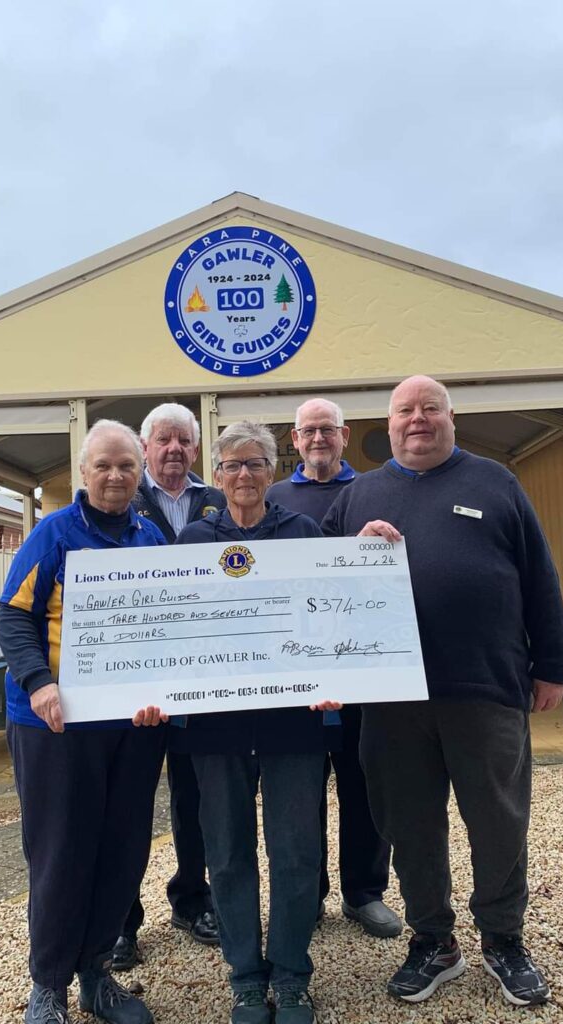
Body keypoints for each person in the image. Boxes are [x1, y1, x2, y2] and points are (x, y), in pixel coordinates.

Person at [322, 376, 563, 1008]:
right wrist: (353, 555)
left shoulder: (496, 483)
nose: (418, 420)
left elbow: (539, 574)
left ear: (450, 417)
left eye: (430, 409)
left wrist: (552, 662)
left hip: (485, 686)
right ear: (389, 424)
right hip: (393, 698)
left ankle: (503, 940)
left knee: (498, 820)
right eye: (405, 411)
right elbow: (316, 585)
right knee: (410, 824)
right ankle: (433, 940)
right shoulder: (360, 496)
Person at [0, 419, 168, 1024]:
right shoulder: (52, 535)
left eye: (127, 465)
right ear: (84, 473)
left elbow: (166, 632)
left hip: (132, 727)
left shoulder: (151, 539)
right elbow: (12, 620)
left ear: (141, 469)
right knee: (60, 851)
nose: (117, 476)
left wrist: (162, 693)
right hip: (56, 726)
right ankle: (48, 984)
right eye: (104, 466)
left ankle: (97, 972)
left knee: (122, 849)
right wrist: (39, 683)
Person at [172, 421, 342, 1024]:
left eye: (256, 463)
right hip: (216, 726)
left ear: (275, 470)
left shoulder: (303, 531)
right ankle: (246, 977)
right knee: (228, 853)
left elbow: (327, 618)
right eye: (232, 465)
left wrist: (332, 681)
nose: (244, 475)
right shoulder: (193, 539)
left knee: (297, 853)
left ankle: (292, 975)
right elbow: (175, 628)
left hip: (292, 721)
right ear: (215, 476)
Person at [266, 398, 401, 939]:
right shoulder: (274, 496)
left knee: (365, 783)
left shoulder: (373, 490)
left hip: (359, 670)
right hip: (296, 671)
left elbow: (389, 573)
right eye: (307, 431)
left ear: (345, 435)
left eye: (328, 429)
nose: (318, 438)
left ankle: (365, 893)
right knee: (299, 790)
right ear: (293, 441)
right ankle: (309, 892)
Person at [112, 403, 224, 970]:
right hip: (133, 681)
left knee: (194, 798)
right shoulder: (121, 500)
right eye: (164, 440)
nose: (175, 449)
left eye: (184, 440)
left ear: (196, 450)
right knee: (128, 802)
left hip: (200, 681)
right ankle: (121, 921)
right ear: (145, 445)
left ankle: (191, 898)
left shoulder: (219, 501)